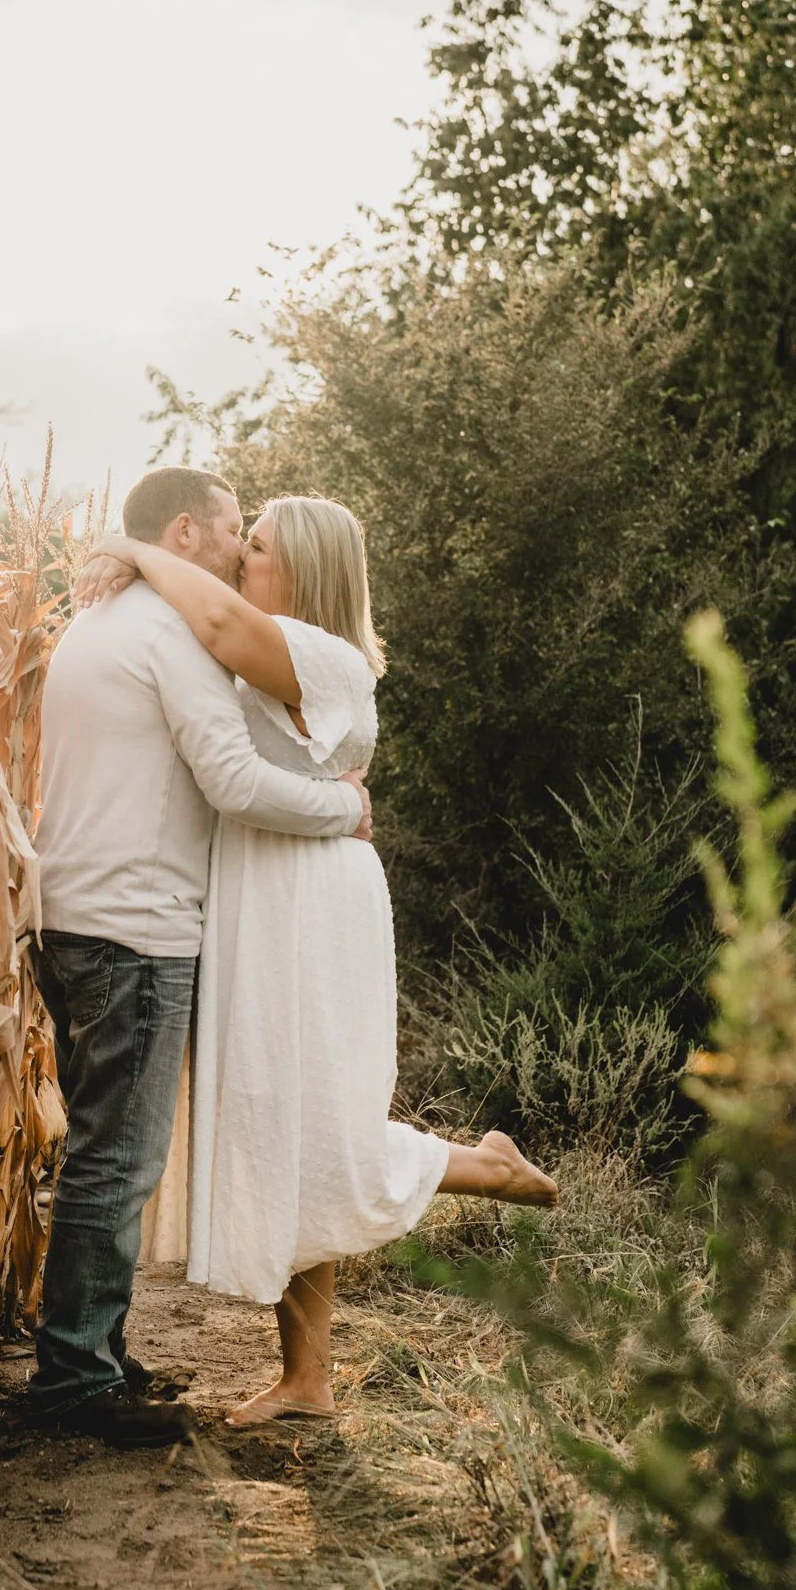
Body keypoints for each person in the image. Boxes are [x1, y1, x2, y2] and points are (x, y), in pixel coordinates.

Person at [91, 494, 557, 1429]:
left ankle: (482, 1170)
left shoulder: (321, 653)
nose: (237, 559)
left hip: (306, 899)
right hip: (265, 893)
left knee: (302, 1124)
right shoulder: (280, 647)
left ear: (295, 569)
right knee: (277, 1120)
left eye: (253, 547)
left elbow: (217, 619)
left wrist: (130, 547)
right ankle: (306, 1381)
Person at [30, 467, 373, 1448]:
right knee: (116, 1162)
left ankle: (88, 1351)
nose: (235, 552)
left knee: (104, 1151)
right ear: (185, 532)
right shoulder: (166, 631)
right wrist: (344, 809)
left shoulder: (98, 622)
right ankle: (72, 1383)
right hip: (132, 927)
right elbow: (229, 779)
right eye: (231, 532)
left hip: (78, 917)